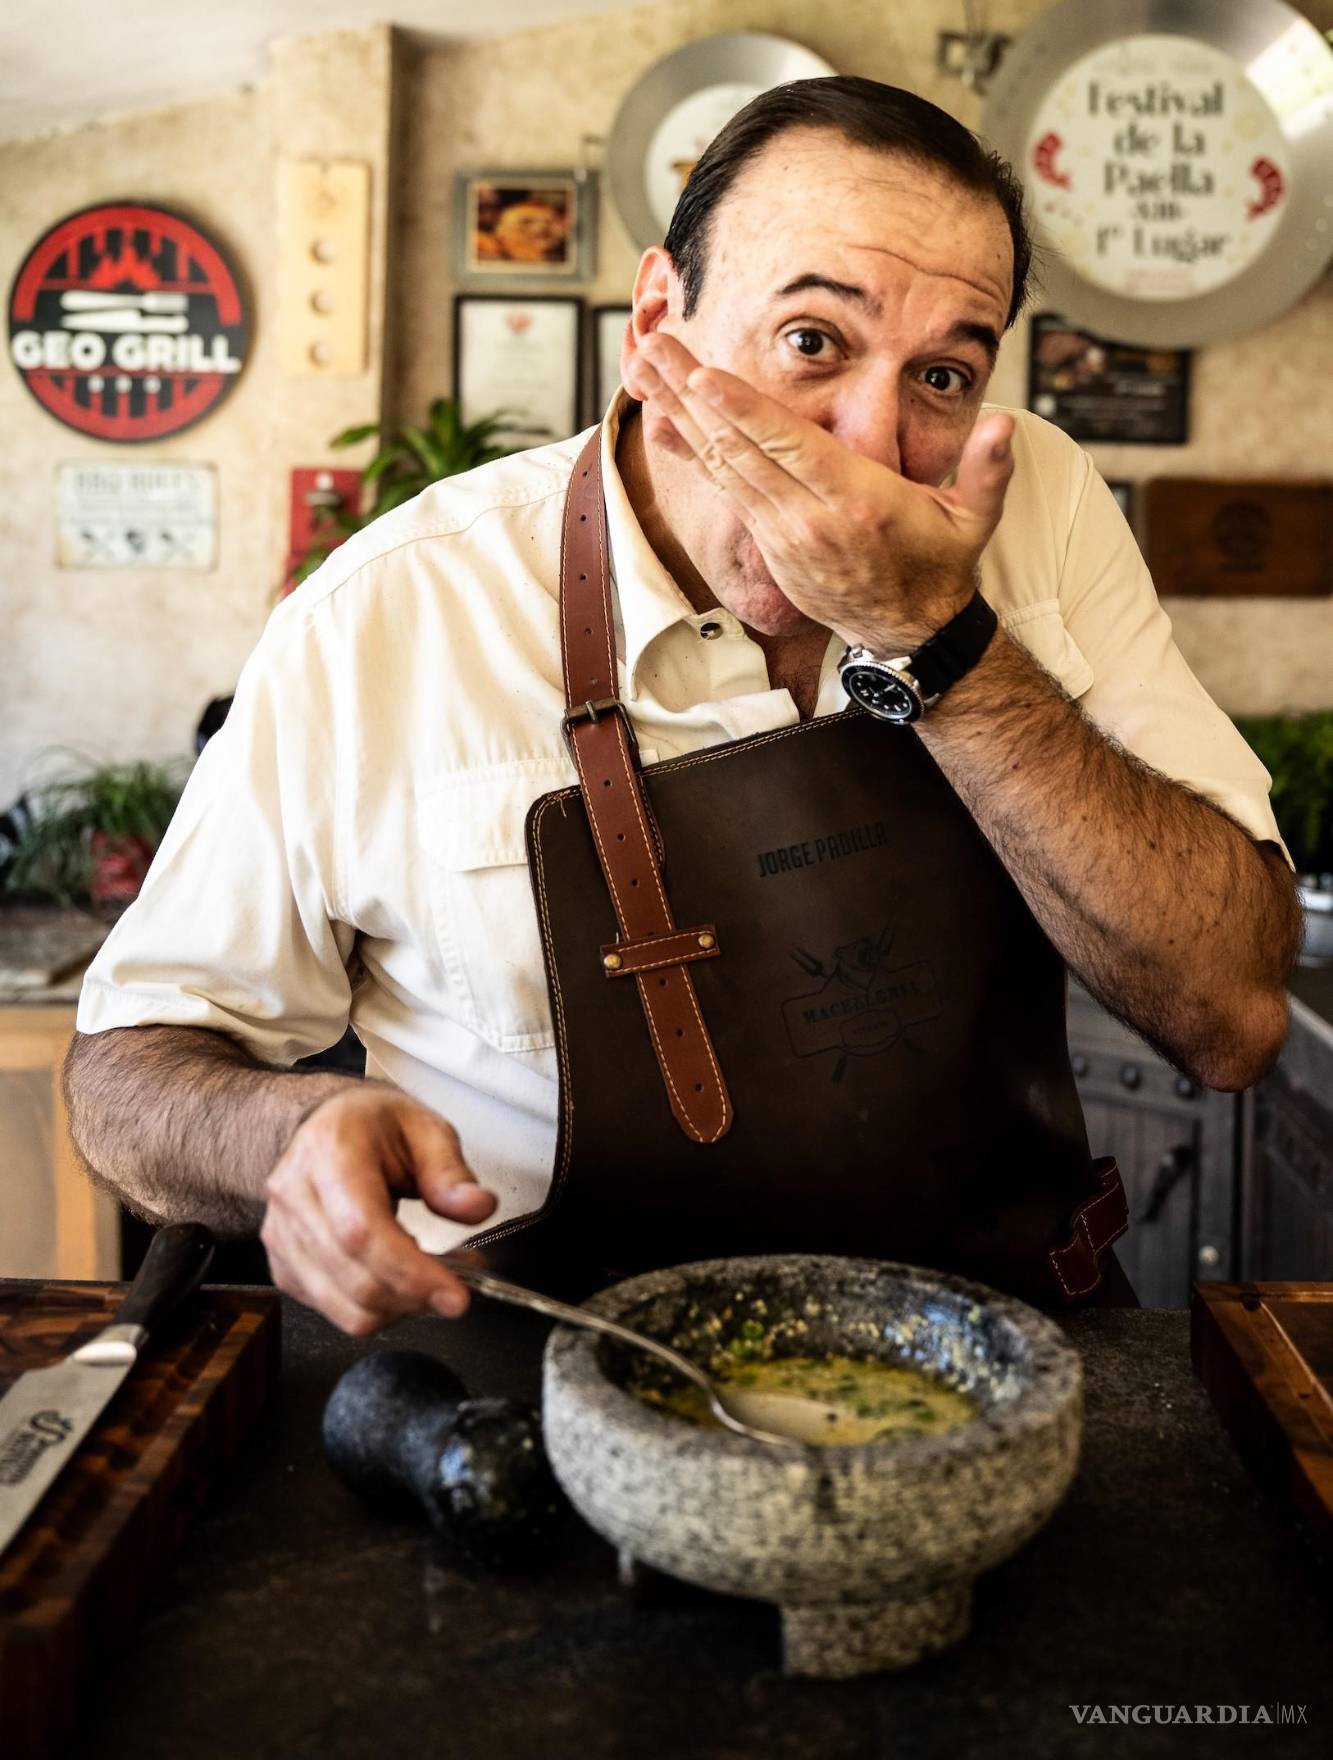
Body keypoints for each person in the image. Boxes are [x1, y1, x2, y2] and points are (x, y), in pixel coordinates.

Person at [65, 78, 1301, 1337]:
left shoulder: (1035, 500)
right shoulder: (387, 610)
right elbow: (125, 1076)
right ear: (659, 323)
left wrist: (944, 644)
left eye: (941, 372)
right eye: (812, 339)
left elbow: (1233, 1015)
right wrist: (292, 1126)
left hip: (998, 1355)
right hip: (542, 1379)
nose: (872, 440)